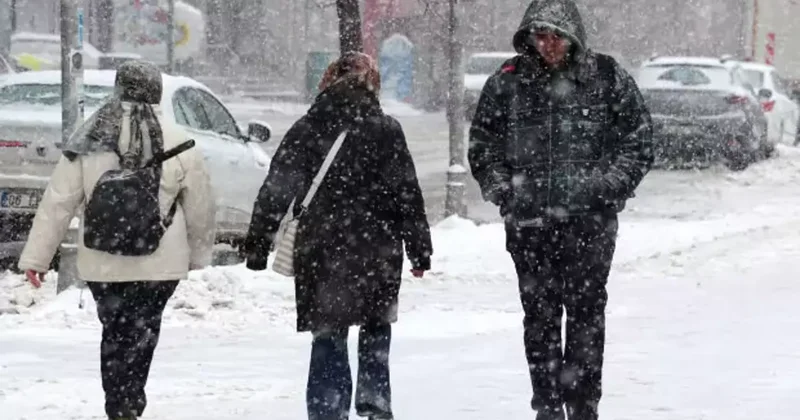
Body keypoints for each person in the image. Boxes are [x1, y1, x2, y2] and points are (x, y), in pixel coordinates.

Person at [467, 1, 654, 419]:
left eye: (556, 35)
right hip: (530, 225)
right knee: (540, 320)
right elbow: (483, 146)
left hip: (590, 224)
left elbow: (638, 142)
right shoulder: (507, 82)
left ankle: (584, 407)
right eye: (540, 35)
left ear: (572, 37)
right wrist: (504, 192)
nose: (548, 44)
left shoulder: (606, 77)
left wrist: (606, 187)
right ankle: (548, 407)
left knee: (587, 317)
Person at [17, 61, 216, 420]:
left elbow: (58, 202)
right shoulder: (179, 140)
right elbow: (200, 207)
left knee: (115, 332)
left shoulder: (90, 137)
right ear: (156, 91)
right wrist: (199, 256)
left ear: (118, 89)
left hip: (102, 260)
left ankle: (119, 404)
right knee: (144, 331)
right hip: (161, 262)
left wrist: (36, 259)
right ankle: (130, 398)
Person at [242, 51, 432, 420]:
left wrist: (258, 245)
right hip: (376, 247)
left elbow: (276, 189)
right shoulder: (386, 129)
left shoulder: (308, 127)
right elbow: (407, 192)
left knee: (328, 331)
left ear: (327, 82)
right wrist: (419, 249)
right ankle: (375, 404)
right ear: (372, 84)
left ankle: (328, 409)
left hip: (322, 246)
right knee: (376, 326)